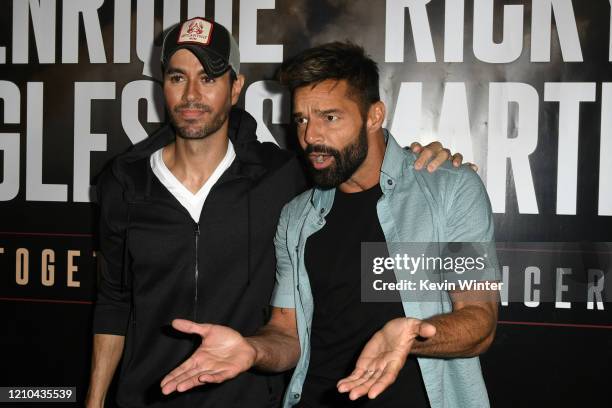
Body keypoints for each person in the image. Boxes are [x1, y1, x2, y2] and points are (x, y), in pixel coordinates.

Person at [86, 18, 465, 408]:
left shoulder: (282, 175)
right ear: (162, 83)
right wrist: (95, 401)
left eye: (209, 78)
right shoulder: (124, 181)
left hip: (247, 397)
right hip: (147, 395)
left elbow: (357, 162)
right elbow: (114, 302)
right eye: (178, 78)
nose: (192, 95)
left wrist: (430, 167)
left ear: (236, 88)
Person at [159, 42, 500, 408]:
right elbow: (287, 333)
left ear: (373, 116)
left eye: (330, 118)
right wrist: (253, 350)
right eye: (303, 119)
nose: (310, 137)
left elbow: (479, 321)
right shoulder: (297, 217)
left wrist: (413, 334)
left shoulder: (450, 191)